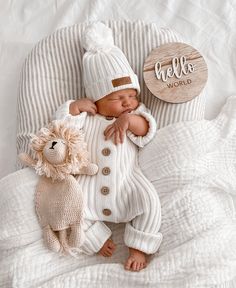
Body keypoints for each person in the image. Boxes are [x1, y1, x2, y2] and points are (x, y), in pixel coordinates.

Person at [53, 22, 162, 271]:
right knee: (68, 207)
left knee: (149, 201)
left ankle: (139, 247)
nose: (127, 102)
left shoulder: (135, 115)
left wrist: (129, 120)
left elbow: (147, 130)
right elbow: (60, 129)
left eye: (132, 96)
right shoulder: (88, 117)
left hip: (126, 182)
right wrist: (74, 108)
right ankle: (96, 238)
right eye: (117, 98)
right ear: (96, 100)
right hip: (88, 184)